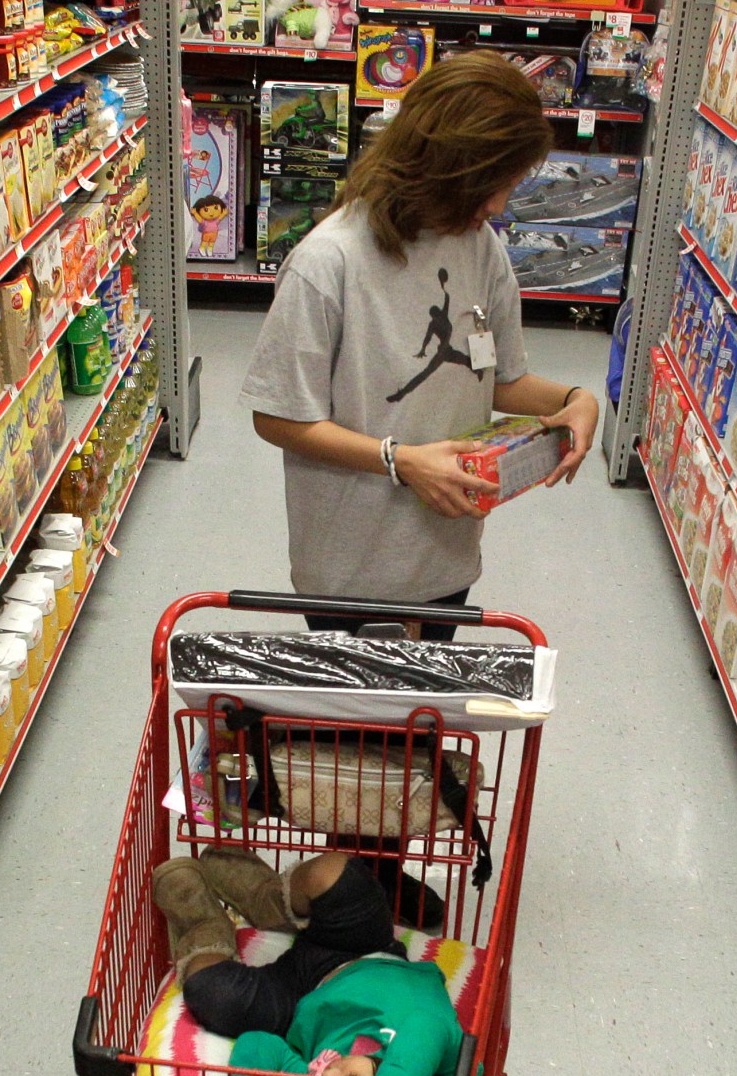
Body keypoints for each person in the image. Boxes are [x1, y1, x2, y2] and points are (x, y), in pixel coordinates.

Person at [240, 53, 604, 639]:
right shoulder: (327, 263)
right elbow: (278, 415)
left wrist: (574, 397)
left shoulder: (480, 247)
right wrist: (401, 461)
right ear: (440, 167)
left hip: (446, 550)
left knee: (422, 723)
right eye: (490, 188)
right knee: (358, 729)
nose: (497, 207)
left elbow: (498, 379)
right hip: (350, 567)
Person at [155, 848, 461, 1076]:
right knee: (337, 874)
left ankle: (205, 925)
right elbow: (428, 1027)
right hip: (372, 950)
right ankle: (268, 899)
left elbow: (259, 1043)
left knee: (213, 993)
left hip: (300, 994)